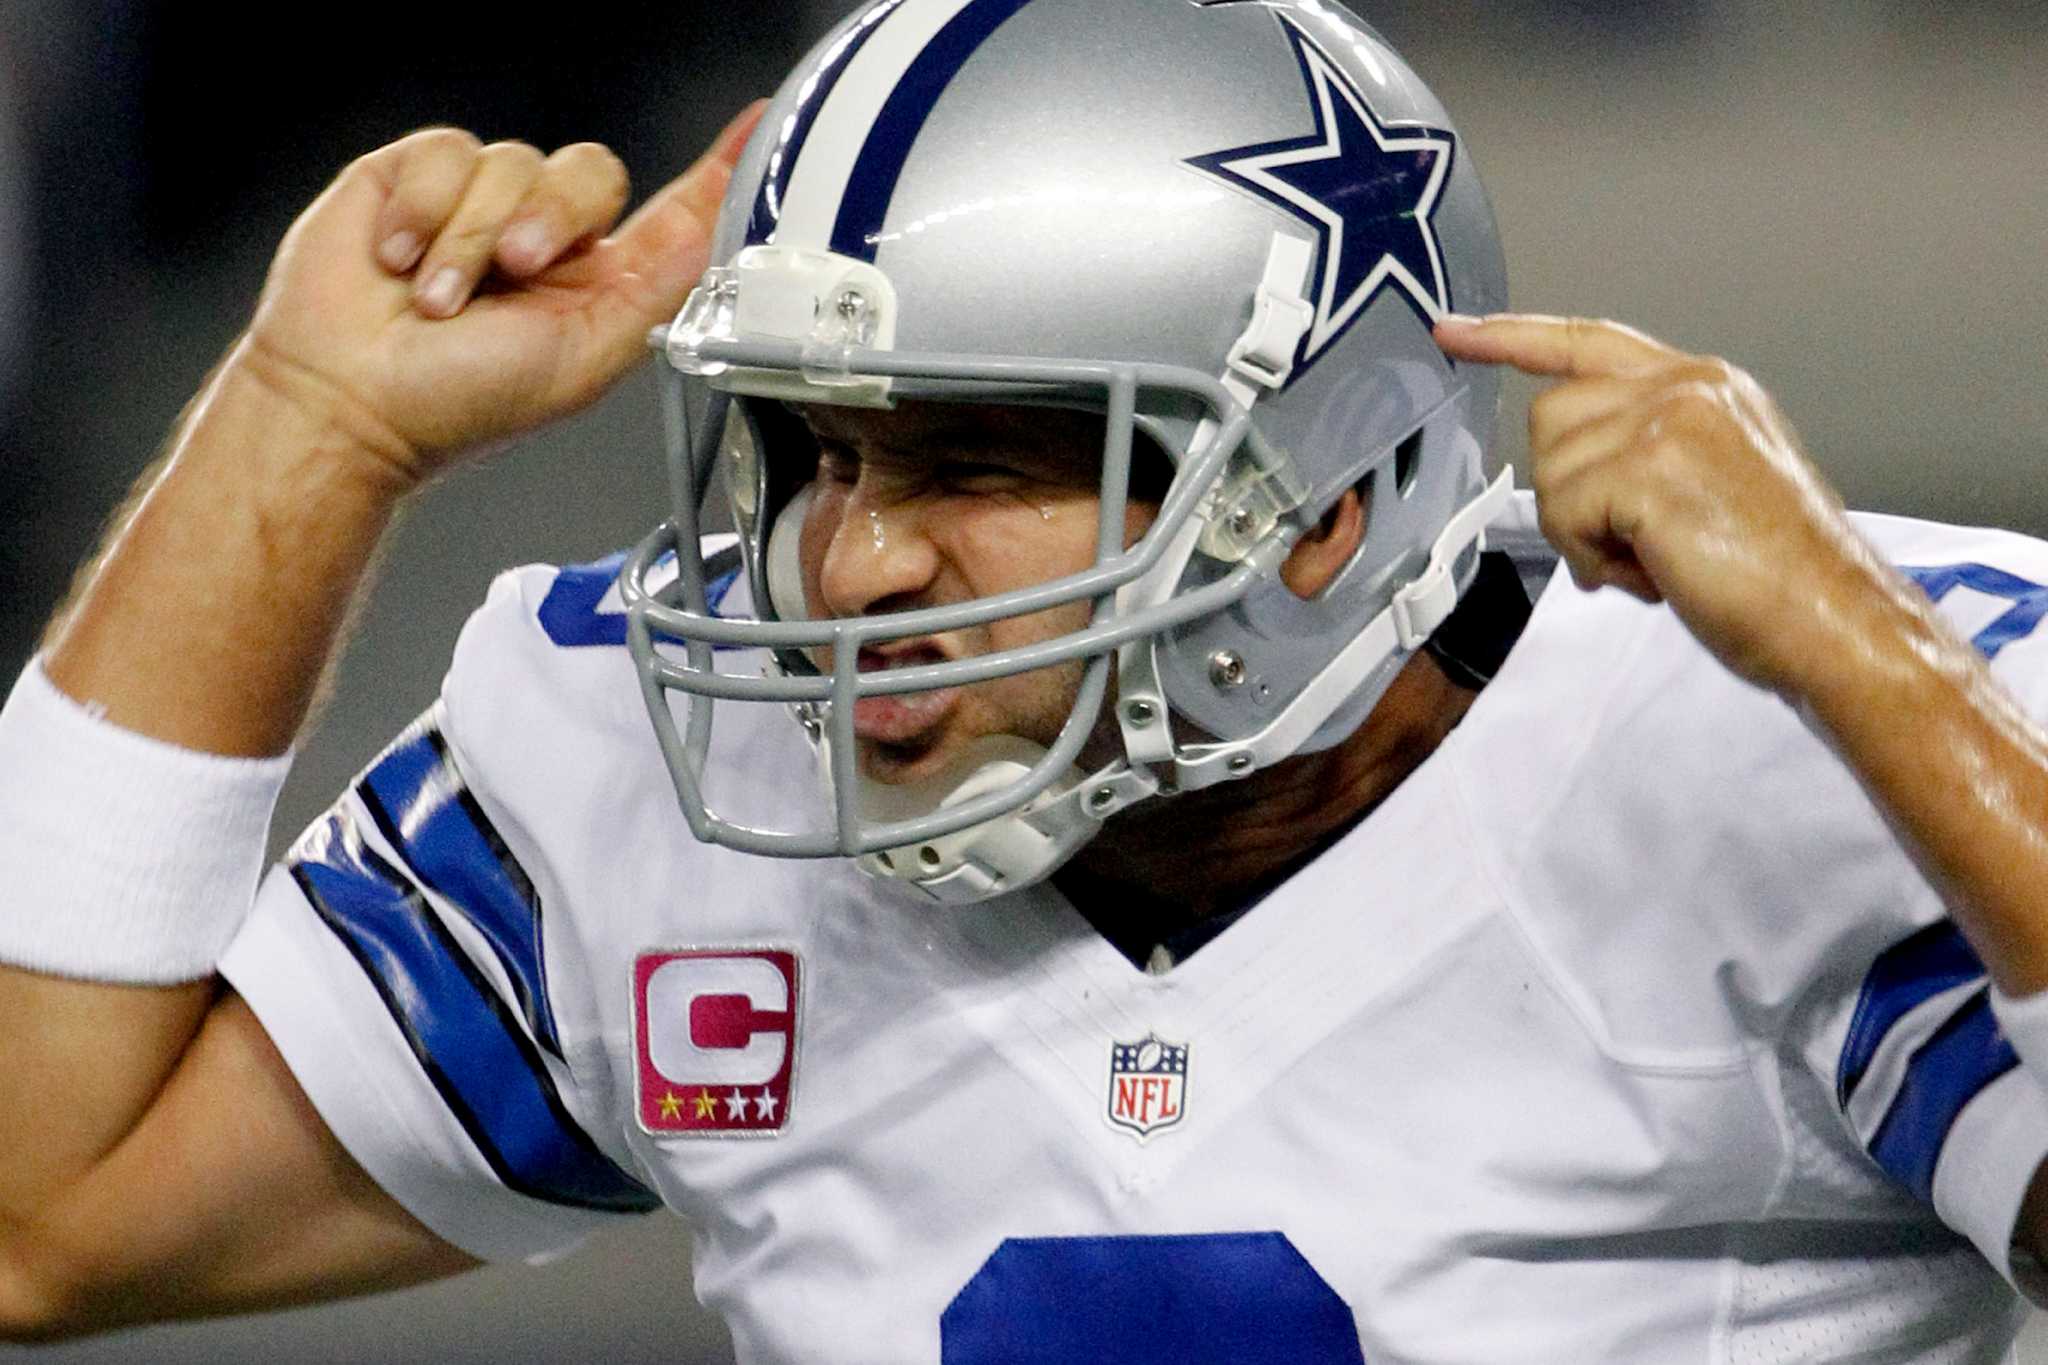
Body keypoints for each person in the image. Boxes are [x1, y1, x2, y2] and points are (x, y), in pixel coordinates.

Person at [4, 0, 2048, 1359]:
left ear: (1317, 496)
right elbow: (39, 1211)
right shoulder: (658, 743)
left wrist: (1876, 677)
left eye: (978, 459)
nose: (857, 556)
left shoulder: (1806, 725)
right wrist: (303, 427)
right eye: (821, 451)